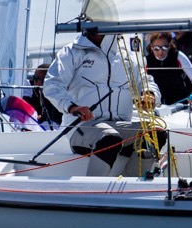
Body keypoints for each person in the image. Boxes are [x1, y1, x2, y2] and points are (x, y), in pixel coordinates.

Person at [43, 27, 161, 176]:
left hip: (120, 126)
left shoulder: (127, 56)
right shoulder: (71, 52)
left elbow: (145, 81)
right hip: (82, 127)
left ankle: (132, 184)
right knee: (109, 138)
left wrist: (149, 94)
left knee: (156, 133)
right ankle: (92, 187)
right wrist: (72, 107)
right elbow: (52, 85)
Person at [144, 31, 192, 107]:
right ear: (151, 47)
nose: (160, 52)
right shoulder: (146, 61)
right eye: (156, 48)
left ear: (169, 46)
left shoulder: (178, 56)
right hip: (156, 106)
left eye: (164, 47)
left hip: (179, 105)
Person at [28, 63, 63, 129]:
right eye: (35, 78)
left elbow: (56, 116)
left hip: (53, 126)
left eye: (42, 79)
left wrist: (40, 117)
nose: (37, 82)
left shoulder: (56, 93)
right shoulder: (30, 87)